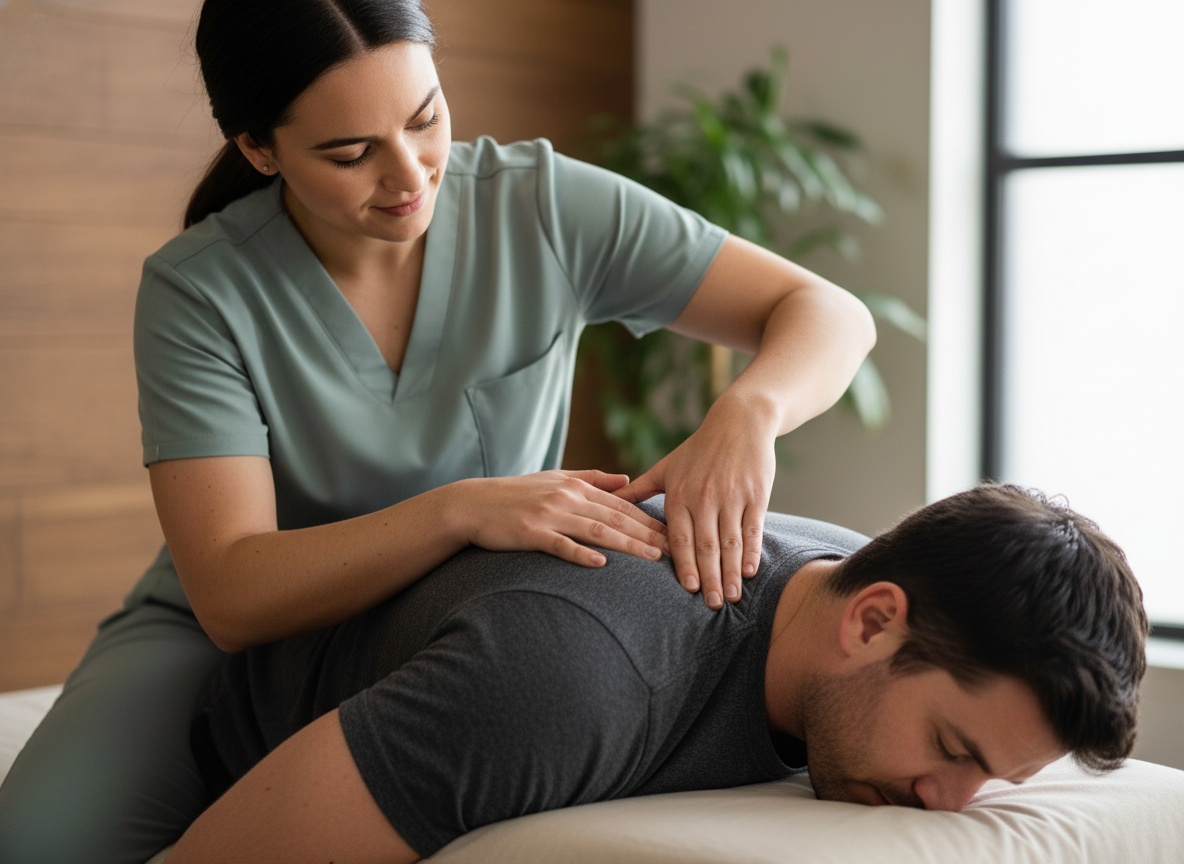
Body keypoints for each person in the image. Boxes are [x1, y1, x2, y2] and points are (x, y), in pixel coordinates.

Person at [0, 1, 876, 862]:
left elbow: (828, 313)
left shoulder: (541, 205)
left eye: (426, 119)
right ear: (259, 149)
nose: (411, 175)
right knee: (37, 842)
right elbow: (232, 590)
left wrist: (747, 413)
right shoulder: (200, 291)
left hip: (458, 615)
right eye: (350, 154)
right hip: (236, 620)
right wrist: (457, 511)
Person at [164, 484, 1149, 863]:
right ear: (872, 620)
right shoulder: (565, 684)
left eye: (990, 781)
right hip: (224, 709)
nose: (946, 803)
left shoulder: (850, 571)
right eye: (949, 749)